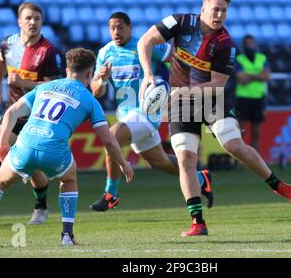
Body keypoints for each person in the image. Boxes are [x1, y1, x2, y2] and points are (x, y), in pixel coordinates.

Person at [138, 0, 291, 237]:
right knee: (185, 159)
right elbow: (146, 41)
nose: (219, 14)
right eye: (215, 9)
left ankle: (277, 185)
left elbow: (216, 85)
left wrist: (182, 93)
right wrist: (148, 75)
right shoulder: (180, 22)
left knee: (234, 146)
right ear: (203, 8)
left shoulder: (225, 43)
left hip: (211, 98)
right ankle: (198, 222)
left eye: (224, 11)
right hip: (180, 104)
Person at [0, 48, 134, 246]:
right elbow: (108, 140)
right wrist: (122, 163)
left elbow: (11, 112)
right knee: (69, 178)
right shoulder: (90, 100)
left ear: (66, 68)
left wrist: (3, 143)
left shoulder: (45, 87)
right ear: (90, 74)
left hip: (26, 144)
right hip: (53, 151)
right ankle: (67, 235)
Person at [90, 12, 213, 211]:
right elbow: (96, 91)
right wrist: (102, 79)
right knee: (160, 162)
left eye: (120, 27)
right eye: (112, 28)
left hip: (148, 111)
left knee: (111, 137)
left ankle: (110, 194)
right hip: (127, 116)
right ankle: (201, 178)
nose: (116, 31)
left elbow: (176, 57)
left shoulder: (144, 45)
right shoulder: (105, 53)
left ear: (130, 28)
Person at [0, 3, 62, 224]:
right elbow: (0, 61)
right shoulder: (8, 44)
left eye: (37, 18)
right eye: (28, 18)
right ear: (19, 22)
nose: (33, 22)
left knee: (22, 160)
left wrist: (24, 82)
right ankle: (38, 193)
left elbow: (54, 86)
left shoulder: (48, 50)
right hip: (12, 110)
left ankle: (41, 208)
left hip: (35, 115)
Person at [234, 34, 270, 152]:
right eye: (247, 44)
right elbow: (240, 79)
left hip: (259, 98)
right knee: (241, 132)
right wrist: (258, 75)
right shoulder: (239, 59)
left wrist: (248, 75)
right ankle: (239, 159)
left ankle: (256, 159)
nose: (250, 46)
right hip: (243, 98)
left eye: (251, 43)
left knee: (256, 133)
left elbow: (266, 76)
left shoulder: (262, 58)